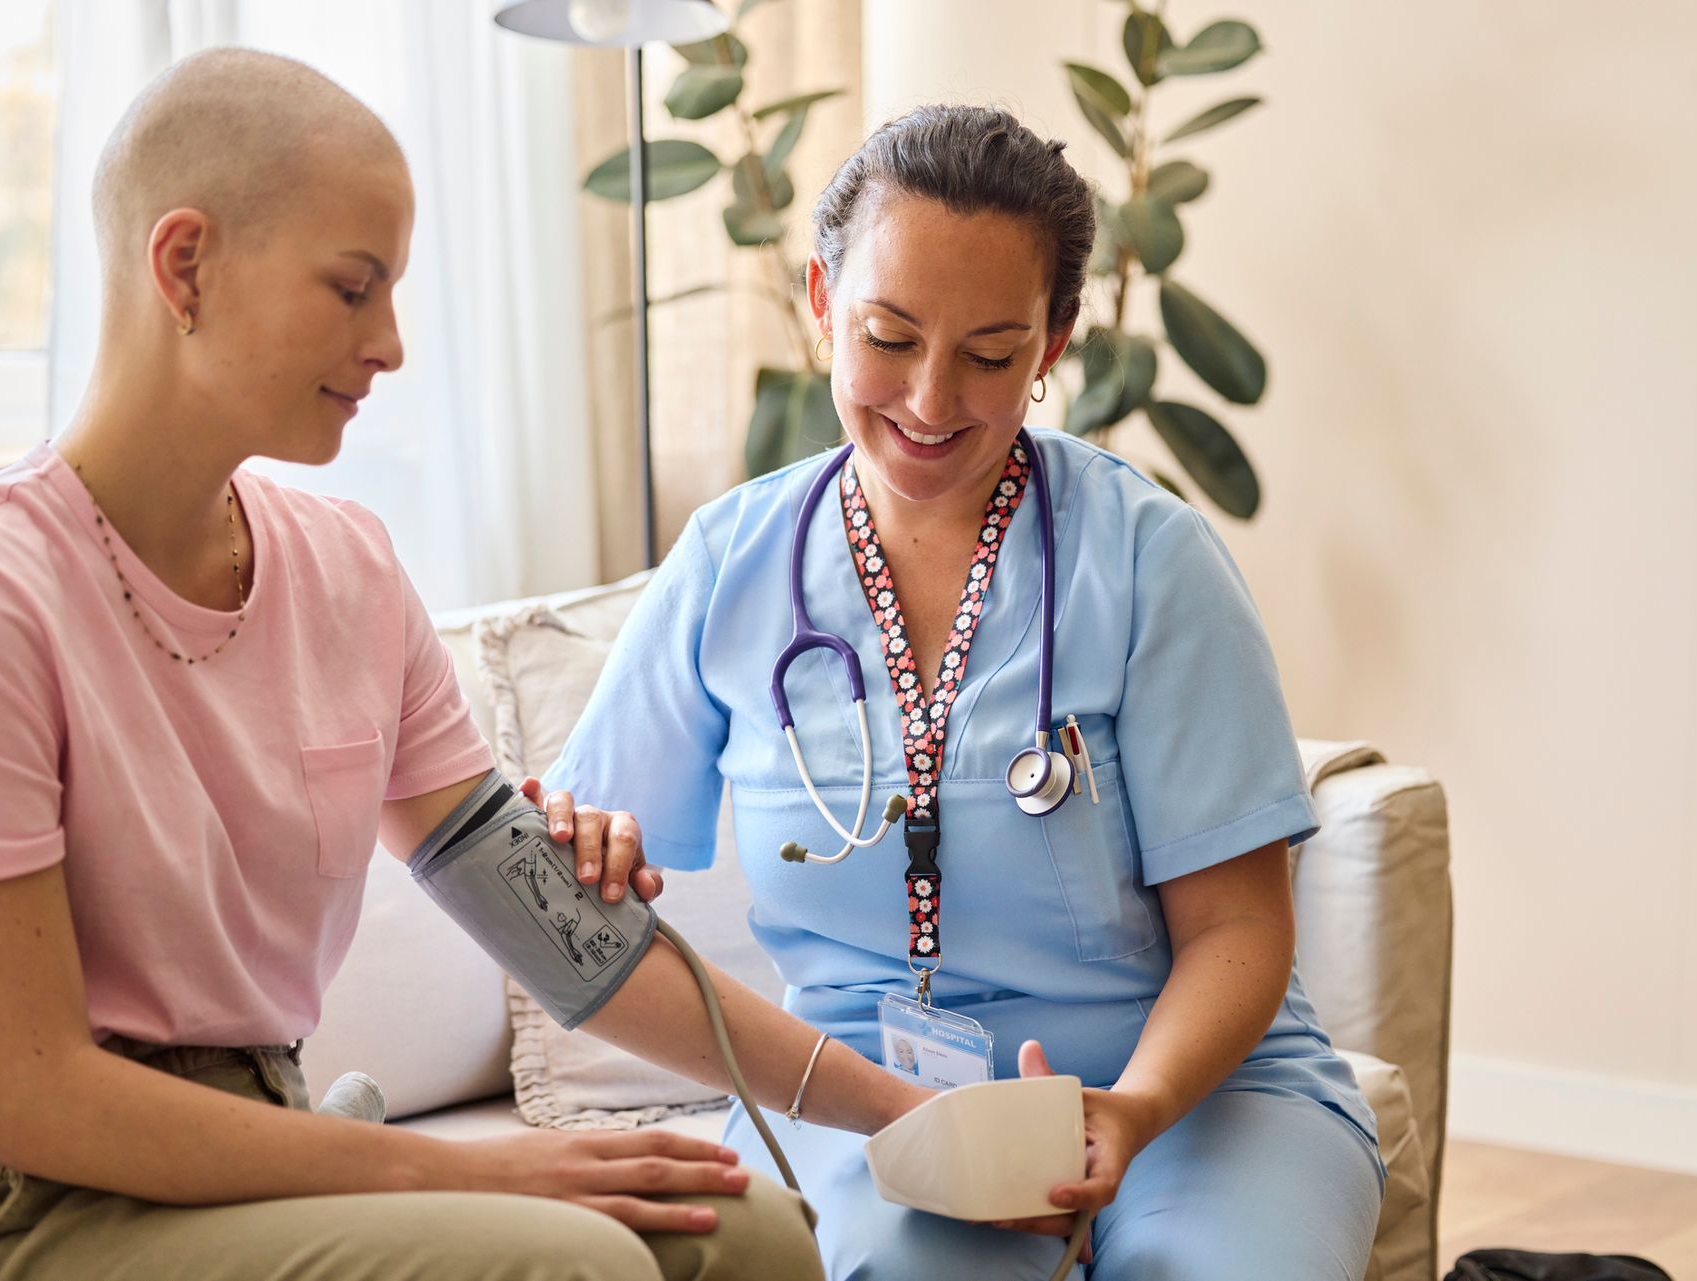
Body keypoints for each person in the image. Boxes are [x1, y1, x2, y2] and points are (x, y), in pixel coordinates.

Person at [0, 48, 932, 1281]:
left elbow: (570, 943)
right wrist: (473, 1169)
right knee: (581, 1266)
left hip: (261, 1146)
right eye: (354, 289)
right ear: (183, 264)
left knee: (750, 1237)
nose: (392, 344)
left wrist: (899, 1112)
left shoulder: (344, 572)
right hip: (6, 1204)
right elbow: (41, 1100)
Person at [546, 104, 1387, 1279]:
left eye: (991, 355)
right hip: (854, 1095)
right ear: (821, 301)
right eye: (889, 336)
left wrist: (1130, 1113)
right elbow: (582, 874)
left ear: (1052, 346)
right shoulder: (730, 566)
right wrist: (590, 843)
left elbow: (1241, 928)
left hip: (1190, 1093)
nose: (932, 401)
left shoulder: (1150, 559)